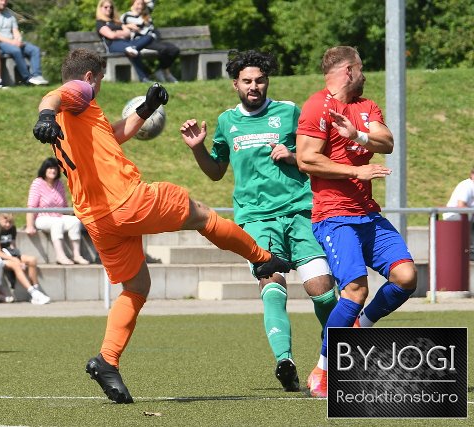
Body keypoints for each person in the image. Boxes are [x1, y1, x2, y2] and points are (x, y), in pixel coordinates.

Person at [32, 48, 290, 403]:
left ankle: (107, 359)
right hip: (127, 201)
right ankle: (262, 258)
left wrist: (146, 108)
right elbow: (54, 96)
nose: (99, 86)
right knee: (201, 214)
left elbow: (113, 134)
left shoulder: (77, 119)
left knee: (137, 286)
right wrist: (45, 113)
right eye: (101, 79)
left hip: (97, 217)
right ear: (90, 77)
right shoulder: (80, 92)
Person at [180, 50, 338, 393]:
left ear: (267, 82)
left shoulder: (289, 112)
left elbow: (319, 157)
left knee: (323, 292)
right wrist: (197, 148)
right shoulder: (226, 122)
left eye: (260, 80)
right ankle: (285, 361)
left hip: (299, 212)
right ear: (235, 84)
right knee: (272, 286)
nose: (254, 86)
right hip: (256, 220)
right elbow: (216, 171)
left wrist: (293, 156)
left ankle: (334, 361)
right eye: (247, 81)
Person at [295, 46, 417, 397]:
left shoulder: (366, 106)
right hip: (334, 216)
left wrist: (357, 136)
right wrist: (355, 170)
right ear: (348, 70)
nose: (365, 75)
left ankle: (361, 325)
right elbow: (306, 159)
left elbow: (387, 142)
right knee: (356, 290)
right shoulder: (317, 105)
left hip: (368, 214)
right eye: (361, 68)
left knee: (407, 277)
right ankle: (322, 370)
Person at [25, 157, 89, 265]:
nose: (53, 171)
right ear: (44, 169)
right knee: (57, 223)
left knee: (74, 222)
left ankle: (77, 255)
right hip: (42, 218)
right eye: (50, 168)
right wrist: (29, 225)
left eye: (55, 168)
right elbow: (31, 206)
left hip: (58, 216)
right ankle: (60, 256)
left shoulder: (59, 184)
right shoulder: (38, 183)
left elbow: (64, 205)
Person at [0, 0, 48, 86]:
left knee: (34, 50)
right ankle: (27, 78)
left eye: (5, 0)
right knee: (16, 50)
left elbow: (15, 30)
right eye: (1, 0)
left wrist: (18, 39)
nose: (3, 2)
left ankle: (37, 76)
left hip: (13, 42)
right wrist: (12, 42)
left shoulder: (9, 14)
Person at [0, 213, 51, 304]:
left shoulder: (12, 228)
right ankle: (33, 292)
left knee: (32, 260)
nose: (8, 225)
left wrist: (17, 258)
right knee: (16, 265)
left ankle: (36, 290)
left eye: (10, 222)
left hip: (10, 254)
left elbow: (13, 247)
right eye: (6, 222)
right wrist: (15, 260)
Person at [120, 0, 179, 83]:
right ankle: (164, 73)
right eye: (137, 4)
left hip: (154, 40)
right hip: (142, 41)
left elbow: (151, 2)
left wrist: (144, 2)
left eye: (142, 4)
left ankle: (161, 69)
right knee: (164, 49)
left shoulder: (145, 13)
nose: (140, 6)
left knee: (174, 50)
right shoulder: (126, 16)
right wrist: (126, 26)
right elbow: (117, 25)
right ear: (132, 4)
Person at [96, 0, 154, 83]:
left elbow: (128, 33)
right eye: (106, 7)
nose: (109, 9)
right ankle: (144, 77)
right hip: (113, 45)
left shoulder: (115, 21)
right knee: (133, 51)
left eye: (111, 7)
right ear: (100, 8)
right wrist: (120, 33)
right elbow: (111, 36)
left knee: (149, 37)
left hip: (126, 42)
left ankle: (132, 48)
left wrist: (116, 32)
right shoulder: (100, 23)